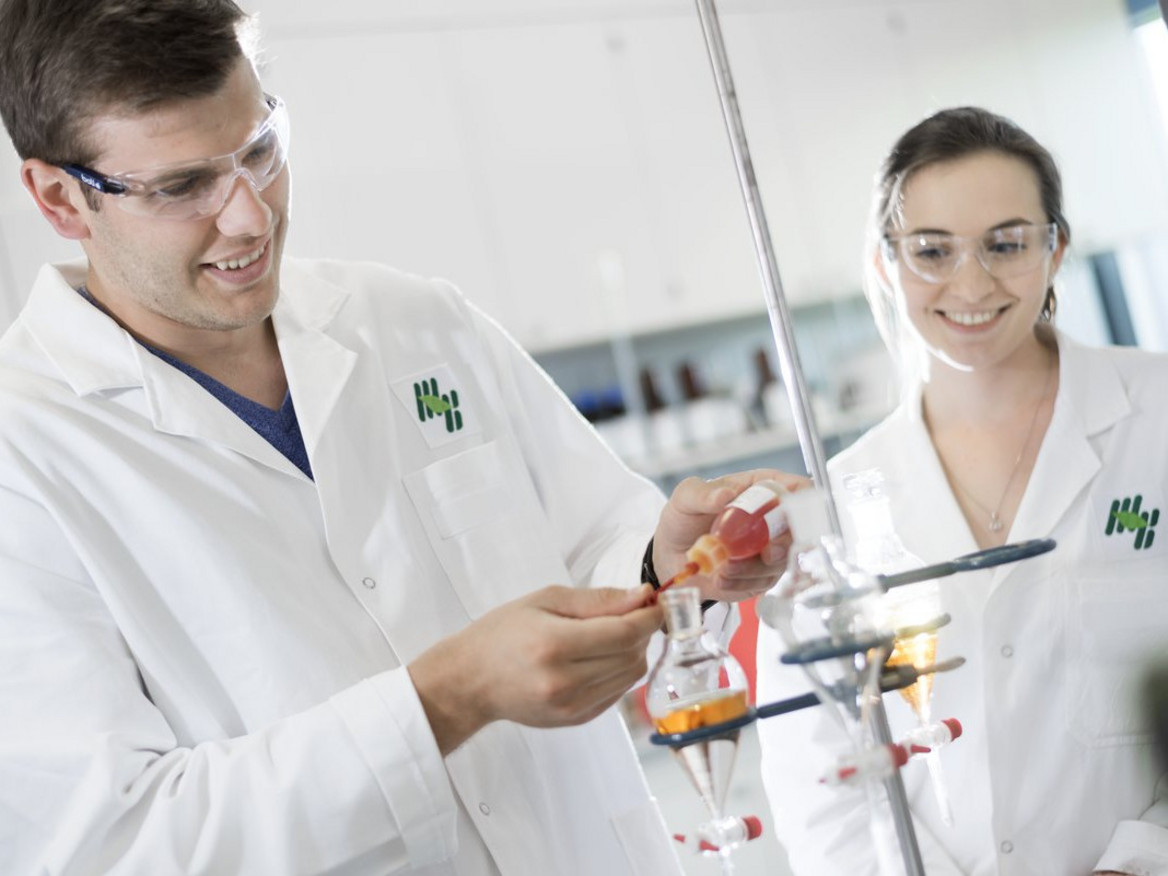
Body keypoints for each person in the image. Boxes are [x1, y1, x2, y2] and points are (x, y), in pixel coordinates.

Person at [0, 2, 804, 873]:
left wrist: (664, 564)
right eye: (183, 186)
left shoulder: (413, 324)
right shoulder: (26, 455)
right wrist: (447, 698)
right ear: (59, 198)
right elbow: (110, 844)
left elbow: (592, 547)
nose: (249, 218)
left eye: (261, 149)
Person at [756, 107, 1168, 875]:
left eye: (1005, 244)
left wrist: (1142, 860)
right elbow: (817, 781)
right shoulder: (837, 507)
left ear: (1056, 250)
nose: (970, 283)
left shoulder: (1159, 417)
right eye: (932, 251)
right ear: (886, 263)